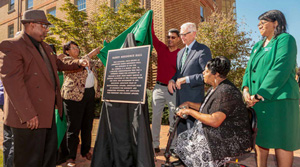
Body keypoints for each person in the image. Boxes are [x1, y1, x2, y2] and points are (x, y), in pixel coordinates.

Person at [0, 9, 89, 167]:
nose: (46, 30)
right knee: (29, 161)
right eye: (44, 26)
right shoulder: (12, 46)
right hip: (28, 118)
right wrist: (28, 114)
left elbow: (59, 64)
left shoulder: (46, 47)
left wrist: (78, 62)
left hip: (46, 115)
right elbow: (13, 84)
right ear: (31, 25)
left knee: (48, 160)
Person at [242, 10, 300, 167]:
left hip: (280, 101)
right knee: (261, 139)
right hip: (258, 102)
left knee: (282, 142)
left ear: (276, 23)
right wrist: (246, 90)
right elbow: (248, 70)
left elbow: (280, 69)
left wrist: (260, 94)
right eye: (258, 22)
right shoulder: (257, 46)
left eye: (263, 21)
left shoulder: (285, 40)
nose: (259, 24)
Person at [175, 56, 252, 167]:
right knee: (184, 139)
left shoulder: (226, 91)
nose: (203, 73)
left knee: (195, 143)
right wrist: (190, 104)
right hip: (220, 130)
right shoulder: (215, 88)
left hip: (230, 136)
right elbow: (206, 107)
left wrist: (190, 112)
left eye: (206, 71)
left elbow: (215, 120)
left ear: (215, 74)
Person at [60, 41, 102, 167]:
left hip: (89, 94)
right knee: (73, 127)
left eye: (77, 47)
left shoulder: (85, 60)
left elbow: (100, 63)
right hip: (73, 97)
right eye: (73, 48)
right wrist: (90, 55)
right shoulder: (65, 60)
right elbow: (73, 64)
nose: (76, 49)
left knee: (87, 125)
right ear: (67, 51)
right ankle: (71, 157)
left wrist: (106, 52)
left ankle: (85, 151)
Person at [167, 22, 211, 136]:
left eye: (185, 34)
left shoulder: (202, 50)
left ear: (194, 34)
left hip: (194, 100)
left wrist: (186, 79)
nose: (182, 37)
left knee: (194, 134)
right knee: (181, 133)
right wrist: (172, 80)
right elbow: (178, 73)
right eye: (181, 34)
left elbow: (207, 76)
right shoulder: (180, 53)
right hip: (180, 99)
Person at [151, 22, 180, 153]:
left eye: (173, 37)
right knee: (156, 117)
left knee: (173, 117)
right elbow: (152, 36)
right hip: (158, 88)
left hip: (173, 90)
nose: (170, 39)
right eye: (168, 37)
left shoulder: (181, 54)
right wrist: (150, 18)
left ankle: (173, 146)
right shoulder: (161, 48)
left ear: (178, 39)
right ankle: (154, 144)